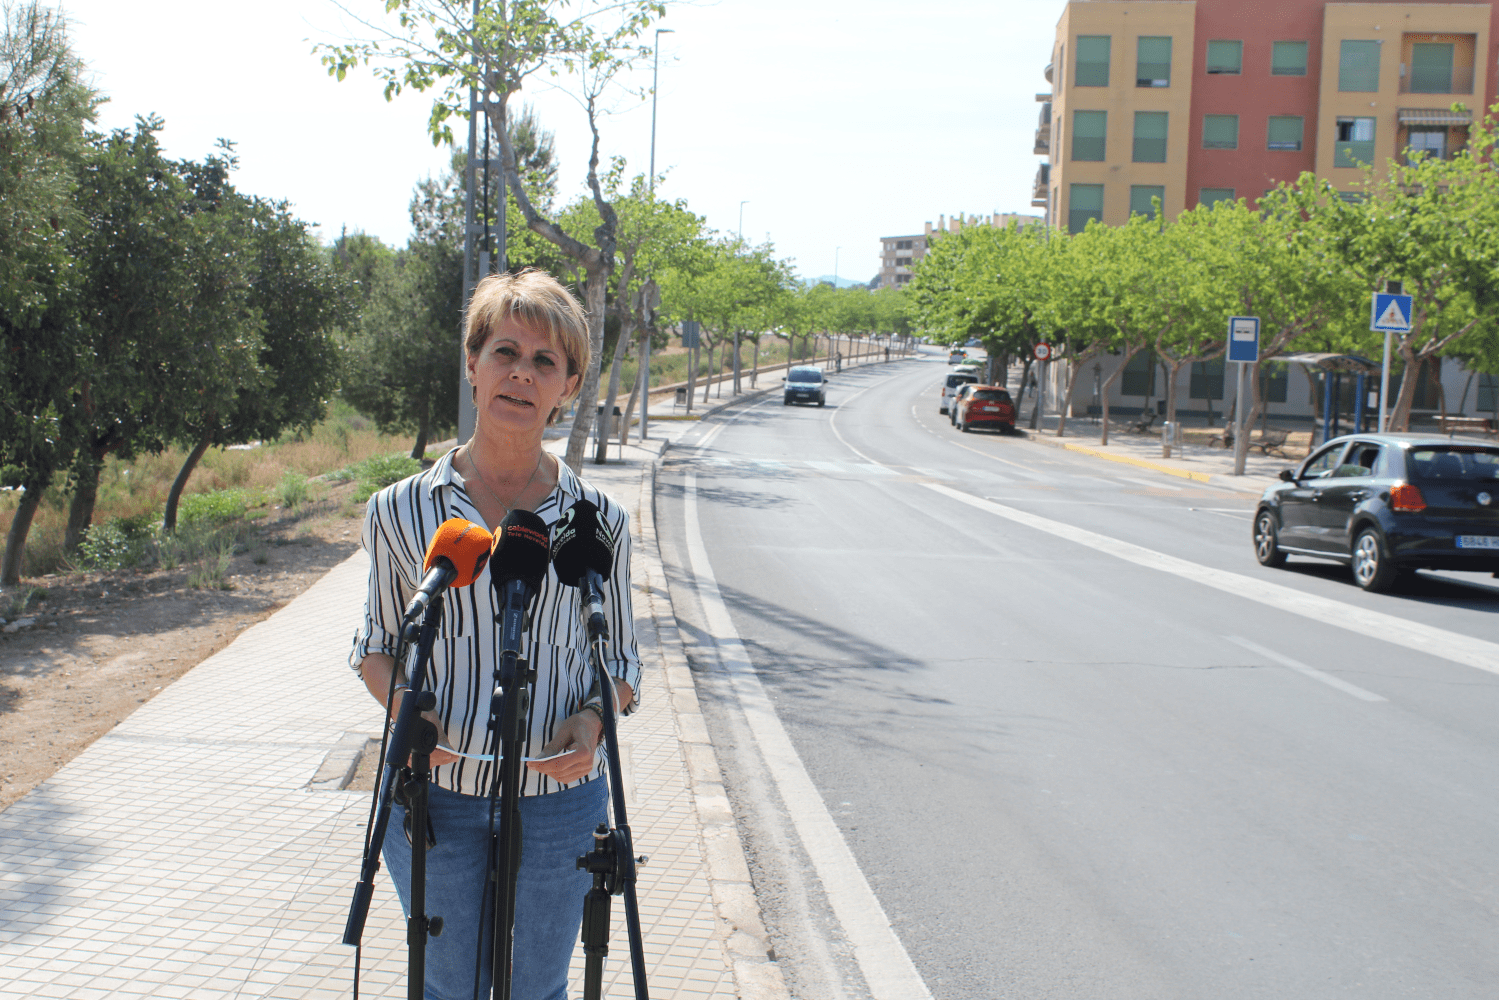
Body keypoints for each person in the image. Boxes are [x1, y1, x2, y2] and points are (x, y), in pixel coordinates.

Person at [350, 269, 641, 1000]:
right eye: (504, 351)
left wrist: (592, 721)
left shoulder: (599, 521)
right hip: (434, 797)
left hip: (559, 805)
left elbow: (622, 662)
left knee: (536, 989)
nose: (521, 373)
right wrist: (406, 717)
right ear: (472, 364)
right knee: (449, 988)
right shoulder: (398, 511)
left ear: (568, 385)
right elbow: (376, 647)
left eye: (544, 361)